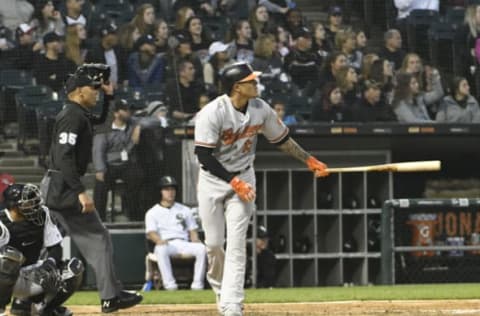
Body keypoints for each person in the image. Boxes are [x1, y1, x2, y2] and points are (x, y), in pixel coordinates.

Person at [194, 62, 329, 316]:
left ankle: (233, 303)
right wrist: (232, 181)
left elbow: (282, 140)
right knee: (213, 244)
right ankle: (221, 291)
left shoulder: (259, 108)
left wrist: (309, 160)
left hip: (245, 176)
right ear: (237, 87)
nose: (256, 84)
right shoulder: (212, 112)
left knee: (236, 242)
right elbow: (204, 156)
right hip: (213, 180)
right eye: (251, 81)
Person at [40, 63, 143, 313]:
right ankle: (110, 296)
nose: (96, 91)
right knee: (93, 239)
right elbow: (64, 157)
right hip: (62, 188)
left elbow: (102, 124)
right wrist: (79, 191)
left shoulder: (78, 114)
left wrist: (109, 97)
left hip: (59, 186)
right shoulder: (71, 116)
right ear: (77, 91)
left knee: (54, 244)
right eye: (93, 88)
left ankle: (111, 295)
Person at [0, 183, 84, 316]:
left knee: (74, 268)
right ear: (14, 206)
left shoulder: (43, 214)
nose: (34, 206)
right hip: (5, 278)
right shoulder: (1, 222)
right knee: (9, 257)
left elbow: (56, 247)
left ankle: (41, 309)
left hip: (30, 274)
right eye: (28, 203)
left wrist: (50, 263)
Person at [145, 176, 207, 291]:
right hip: (166, 244)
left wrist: (196, 240)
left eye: (172, 189)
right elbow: (151, 233)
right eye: (167, 189)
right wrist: (159, 241)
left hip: (183, 242)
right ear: (161, 191)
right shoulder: (152, 212)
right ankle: (170, 286)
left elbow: (192, 230)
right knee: (161, 249)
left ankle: (197, 286)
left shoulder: (184, 210)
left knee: (201, 249)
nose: (170, 192)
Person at [92, 99, 144, 221]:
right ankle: (99, 219)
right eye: (125, 110)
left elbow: (155, 120)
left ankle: (134, 217)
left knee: (137, 177)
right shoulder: (104, 128)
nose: (129, 112)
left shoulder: (132, 123)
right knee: (100, 186)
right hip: (109, 164)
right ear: (116, 113)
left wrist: (139, 127)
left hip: (127, 164)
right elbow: (98, 150)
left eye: (129, 110)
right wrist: (100, 169)